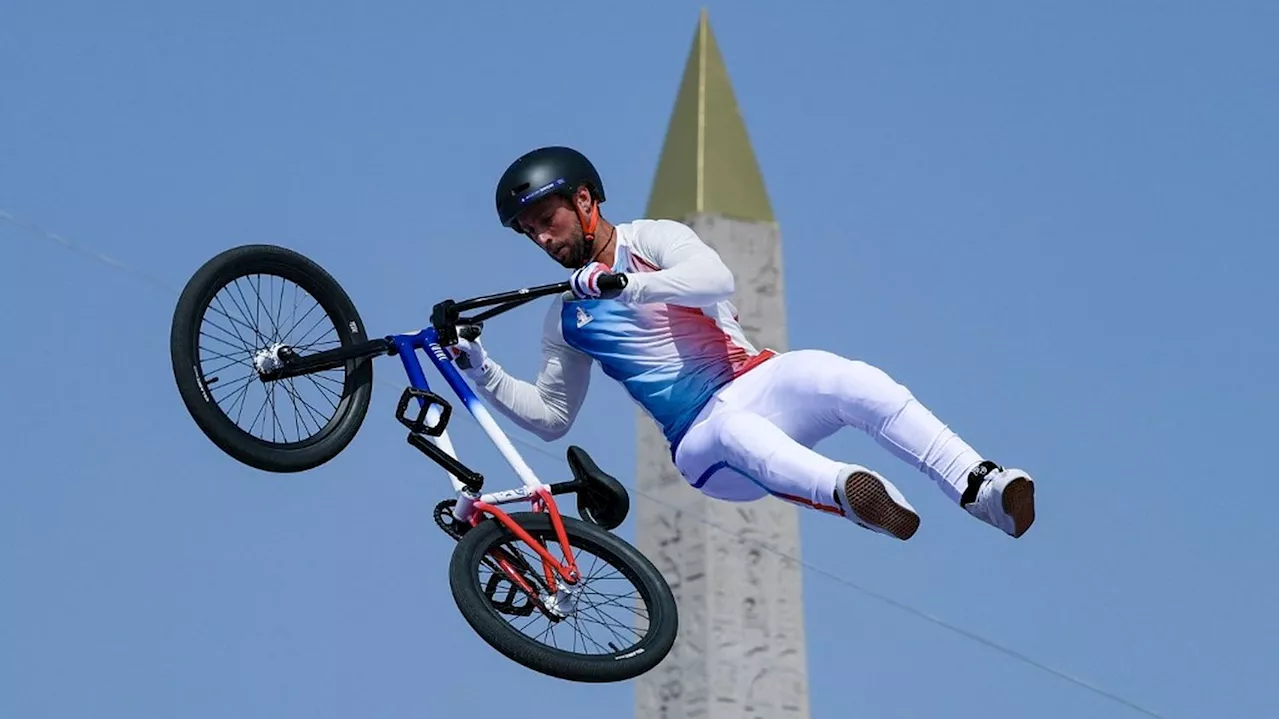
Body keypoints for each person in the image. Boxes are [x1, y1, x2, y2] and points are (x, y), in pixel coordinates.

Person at [449, 145, 1035, 540]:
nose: (543, 239)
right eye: (529, 232)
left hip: (757, 380)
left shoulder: (652, 239)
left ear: (585, 200)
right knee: (735, 430)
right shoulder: (566, 320)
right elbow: (552, 418)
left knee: (844, 375)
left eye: (546, 219)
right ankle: (850, 491)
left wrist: (623, 284)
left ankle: (979, 485)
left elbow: (715, 280)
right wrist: (481, 369)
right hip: (703, 444)